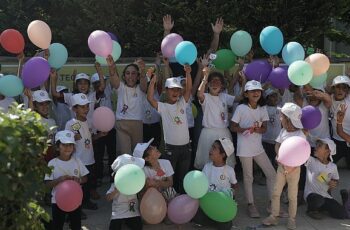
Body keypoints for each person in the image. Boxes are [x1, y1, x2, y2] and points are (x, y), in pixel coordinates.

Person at [231, 80, 276, 218]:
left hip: (258, 148)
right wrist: (244, 129)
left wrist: (257, 129)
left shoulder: (263, 108)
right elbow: (233, 127)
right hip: (244, 149)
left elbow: (264, 129)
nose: (256, 93)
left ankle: (272, 204)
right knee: (248, 177)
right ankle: (251, 204)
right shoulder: (241, 108)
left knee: (272, 174)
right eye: (252, 91)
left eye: (258, 91)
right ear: (246, 94)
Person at [147, 65, 192, 194]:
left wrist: (188, 73)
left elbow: (188, 89)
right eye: (172, 90)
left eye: (178, 90)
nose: (175, 92)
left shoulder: (182, 102)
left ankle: (182, 200)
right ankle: (170, 199)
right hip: (171, 148)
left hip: (186, 147)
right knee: (169, 177)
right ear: (166, 91)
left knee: (183, 176)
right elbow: (150, 98)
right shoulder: (163, 107)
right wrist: (153, 81)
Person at [262, 102, 306, 230]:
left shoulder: (300, 134)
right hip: (281, 167)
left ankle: (291, 219)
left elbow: (303, 154)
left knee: (292, 195)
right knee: (276, 192)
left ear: (288, 119)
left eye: (282, 116)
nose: (280, 118)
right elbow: (277, 145)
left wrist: (292, 166)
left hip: (294, 169)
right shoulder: (283, 131)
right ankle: (274, 216)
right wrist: (278, 156)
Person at [65, 93, 106, 210]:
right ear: (74, 109)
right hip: (78, 160)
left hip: (89, 158)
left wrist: (99, 135)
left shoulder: (89, 121)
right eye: (82, 107)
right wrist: (72, 138)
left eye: (87, 106)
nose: (86, 109)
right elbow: (65, 143)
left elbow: (89, 139)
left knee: (88, 183)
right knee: (78, 185)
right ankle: (76, 207)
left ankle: (86, 201)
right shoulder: (71, 123)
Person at [195, 64, 240, 169]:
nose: (215, 84)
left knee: (226, 162)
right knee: (207, 161)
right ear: (208, 84)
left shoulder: (224, 96)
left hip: (224, 133)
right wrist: (205, 77)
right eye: (212, 81)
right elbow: (199, 94)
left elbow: (239, 98)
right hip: (208, 134)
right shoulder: (205, 97)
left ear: (222, 86)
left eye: (218, 81)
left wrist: (244, 80)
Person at [44, 130, 89, 230]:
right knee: (57, 225)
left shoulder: (77, 161)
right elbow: (47, 184)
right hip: (57, 201)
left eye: (70, 145)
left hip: (75, 200)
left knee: (76, 225)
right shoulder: (52, 163)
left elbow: (85, 178)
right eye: (64, 145)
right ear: (57, 147)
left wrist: (79, 180)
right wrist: (60, 180)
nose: (68, 148)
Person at [193, 138, 238, 230]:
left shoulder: (230, 170)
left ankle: (216, 219)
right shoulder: (207, 167)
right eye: (211, 147)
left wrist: (231, 194)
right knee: (197, 219)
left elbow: (234, 185)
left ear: (223, 154)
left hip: (221, 205)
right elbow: (202, 183)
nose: (210, 150)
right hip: (207, 203)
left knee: (225, 225)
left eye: (214, 148)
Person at [108, 55, 148, 156]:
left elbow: (144, 84)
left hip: (137, 124)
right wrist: (111, 66)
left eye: (134, 73)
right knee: (125, 155)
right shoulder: (121, 87)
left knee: (137, 154)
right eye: (128, 73)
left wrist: (143, 70)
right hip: (122, 125)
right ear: (124, 76)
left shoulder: (141, 88)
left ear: (138, 76)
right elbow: (113, 77)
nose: (130, 76)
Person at [304, 138, 350, 220]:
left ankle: (345, 197)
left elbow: (336, 180)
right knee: (318, 200)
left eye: (319, 146)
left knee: (342, 214)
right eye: (316, 145)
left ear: (328, 151)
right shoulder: (311, 161)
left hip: (326, 196)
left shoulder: (333, 166)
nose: (315, 147)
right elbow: (301, 152)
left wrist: (334, 183)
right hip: (311, 195)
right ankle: (311, 210)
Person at [90, 73, 117, 184]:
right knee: (98, 154)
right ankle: (99, 176)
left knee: (112, 153)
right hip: (98, 129)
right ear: (93, 85)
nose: (101, 84)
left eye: (102, 82)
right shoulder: (92, 96)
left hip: (111, 128)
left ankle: (113, 175)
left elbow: (111, 78)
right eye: (97, 83)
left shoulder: (108, 90)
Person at [106, 154, 144, 230]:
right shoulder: (115, 184)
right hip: (119, 211)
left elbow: (140, 193)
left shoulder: (136, 181)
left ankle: (127, 221)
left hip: (132, 210)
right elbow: (108, 198)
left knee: (138, 227)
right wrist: (116, 191)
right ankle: (124, 221)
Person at [330, 76, 350, 167]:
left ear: (347, 91)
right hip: (336, 141)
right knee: (327, 165)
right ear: (333, 89)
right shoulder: (329, 99)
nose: (340, 90)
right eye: (338, 87)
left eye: (344, 87)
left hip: (348, 139)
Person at [262, 88, 281, 169]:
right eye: (273, 96)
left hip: (276, 141)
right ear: (267, 98)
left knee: (276, 161)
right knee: (266, 161)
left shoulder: (280, 109)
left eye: (276, 96)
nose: (275, 98)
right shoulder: (262, 109)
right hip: (264, 140)